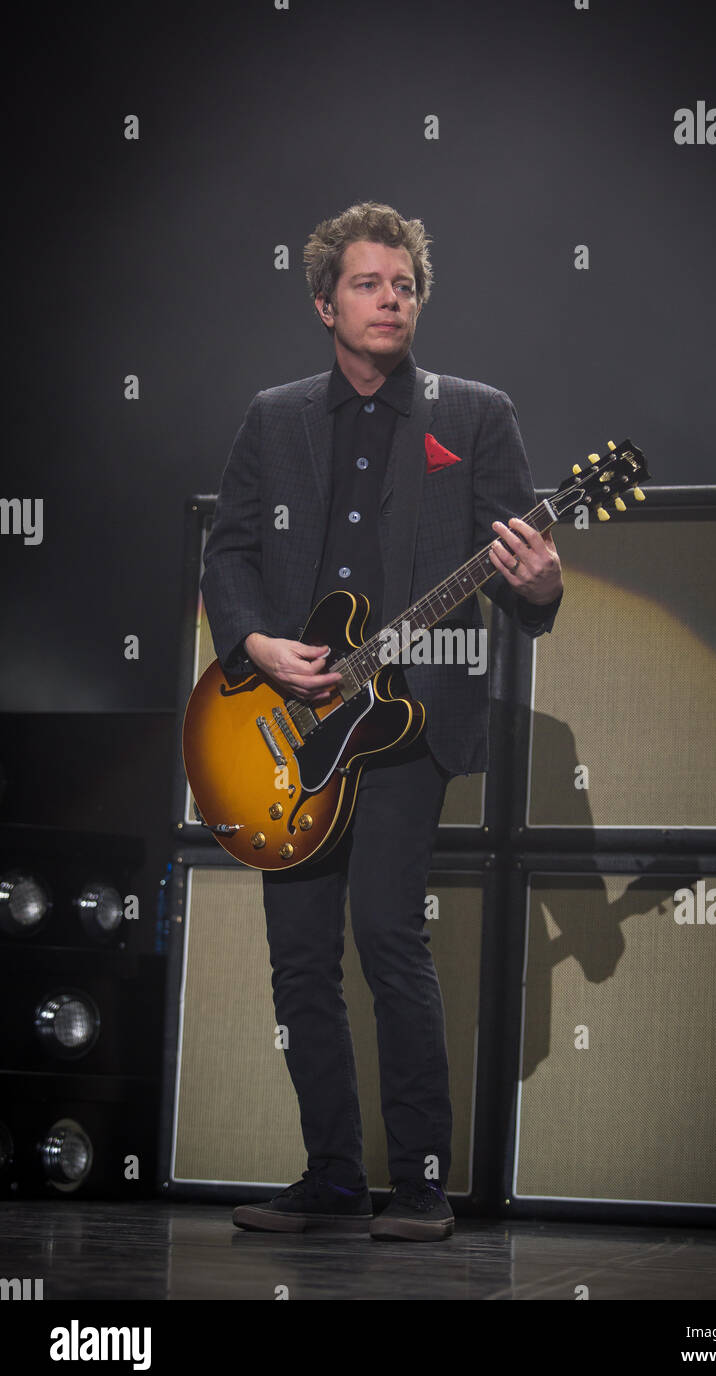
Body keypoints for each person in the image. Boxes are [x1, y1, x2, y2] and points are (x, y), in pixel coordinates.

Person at [200, 201, 562, 1241]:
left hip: (405, 720)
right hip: (289, 719)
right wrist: (256, 645)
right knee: (300, 957)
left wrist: (538, 583)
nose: (389, 297)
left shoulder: (474, 414)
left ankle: (418, 1182)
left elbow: (519, 574)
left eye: (401, 284)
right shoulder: (272, 417)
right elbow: (228, 552)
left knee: (386, 933)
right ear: (324, 303)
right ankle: (328, 1175)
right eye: (366, 282)